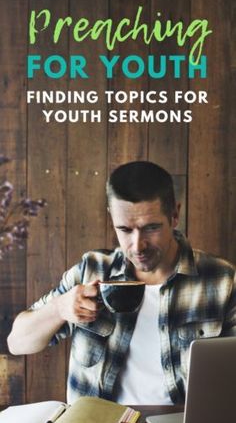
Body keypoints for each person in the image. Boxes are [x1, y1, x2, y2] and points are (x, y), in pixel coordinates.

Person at [7, 161, 236, 404]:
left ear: (175, 215)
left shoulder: (222, 279)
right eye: (125, 229)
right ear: (112, 218)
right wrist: (60, 308)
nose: (138, 246)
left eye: (151, 228)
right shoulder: (92, 269)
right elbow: (17, 343)